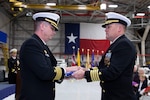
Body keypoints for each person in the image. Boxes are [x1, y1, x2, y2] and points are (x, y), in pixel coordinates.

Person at [72, 12, 137, 100]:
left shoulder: (124, 45)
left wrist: (85, 74)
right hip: (112, 95)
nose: (105, 30)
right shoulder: (116, 45)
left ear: (119, 28)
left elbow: (112, 72)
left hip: (120, 96)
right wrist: (87, 70)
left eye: (108, 27)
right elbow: (103, 67)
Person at [19, 12, 79, 100]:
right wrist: (67, 70)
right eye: (52, 28)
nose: (54, 32)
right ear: (43, 26)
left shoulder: (42, 45)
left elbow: (52, 68)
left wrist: (68, 75)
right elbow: (45, 73)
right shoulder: (32, 44)